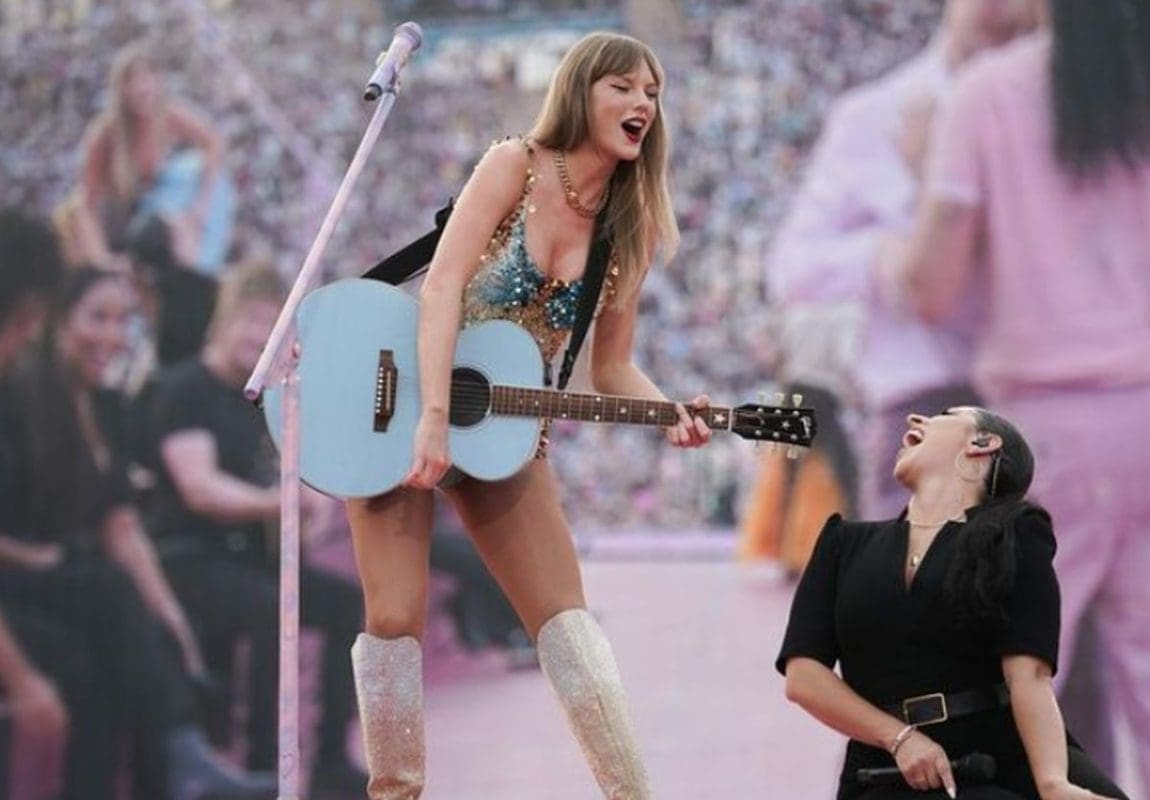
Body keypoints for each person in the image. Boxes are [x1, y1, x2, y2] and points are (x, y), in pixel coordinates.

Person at [346, 31, 710, 799]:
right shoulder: (515, 163)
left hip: (506, 430)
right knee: (394, 619)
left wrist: (667, 410)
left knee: (569, 626)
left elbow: (610, 367)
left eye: (652, 92)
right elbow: (442, 284)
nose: (643, 103)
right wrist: (432, 417)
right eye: (624, 86)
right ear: (581, 90)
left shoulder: (630, 228)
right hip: (407, 402)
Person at [883, 0, 1150, 788]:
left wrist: (912, 198)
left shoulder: (990, 94)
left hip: (1048, 433)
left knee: (1001, 691)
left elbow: (932, 288)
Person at [742, 0, 1041, 577]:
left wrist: (930, 190)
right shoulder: (875, 116)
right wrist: (885, 255)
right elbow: (791, 267)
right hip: (921, 402)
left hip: (1038, 404)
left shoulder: (1067, 113)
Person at [0, 266, 275, 800]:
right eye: (97, 317)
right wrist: (32, 556)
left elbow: (121, 524)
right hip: (30, 579)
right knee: (106, 607)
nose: (112, 334)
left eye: (123, 320)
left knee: (136, 648)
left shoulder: (108, 406)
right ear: (58, 320)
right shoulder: (23, 396)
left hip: (72, 580)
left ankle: (184, 767)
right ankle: (186, 764)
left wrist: (172, 620)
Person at [778, 407, 1126, 800]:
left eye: (944, 414)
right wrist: (899, 738)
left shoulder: (1015, 531)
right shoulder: (843, 544)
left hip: (1000, 756)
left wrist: (1052, 782)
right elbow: (803, 677)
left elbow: (1028, 675)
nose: (915, 419)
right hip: (882, 766)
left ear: (983, 443)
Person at [147, 260, 367, 796]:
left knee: (344, 602)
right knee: (271, 608)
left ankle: (331, 760)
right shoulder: (184, 389)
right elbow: (201, 489)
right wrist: (279, 503)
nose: (258, 337)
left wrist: (308, 506)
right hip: (189, 558)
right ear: (223, 321)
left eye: (271, 326)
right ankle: (265, 764)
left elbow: (292, 480)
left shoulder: (264, 399)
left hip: (249, 558)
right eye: (250, 321)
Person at [74, 40, 234, 274]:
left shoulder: (166, 115)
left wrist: (202, 203)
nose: (141, 86)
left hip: (157, 218)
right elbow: (86, 205)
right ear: (121, 90)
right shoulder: (105, 134)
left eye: (147, 77)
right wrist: (103, 260)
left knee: (208, 181)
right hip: (122, 228)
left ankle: (202, 270)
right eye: (132, 80)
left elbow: (213, 142)